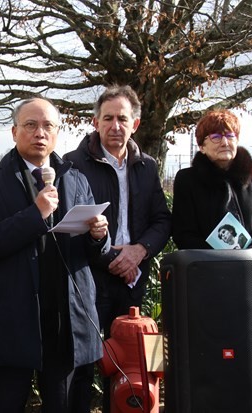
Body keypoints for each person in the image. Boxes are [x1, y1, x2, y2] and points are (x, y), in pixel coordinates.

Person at [0, 96, 110, 413]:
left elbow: (93, 252)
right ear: (14, 131)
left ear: (58, 132)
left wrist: (99, 236)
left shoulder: (75, 177)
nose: (39, 133)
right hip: (14, 321)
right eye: (30, 125)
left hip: (67, 322)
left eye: (48, 126)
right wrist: (35, 214)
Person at [63, 85, 171, 411]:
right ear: (95, 122)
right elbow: (70, 227)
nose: (115, 126)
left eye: (122, 119)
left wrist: (139, 251)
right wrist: (113, 257)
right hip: (89, 282)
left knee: (135, 367)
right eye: (107, 118)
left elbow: (162, 221)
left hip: (132, 283)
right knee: (81, 368)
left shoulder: (147, 166)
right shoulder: (72, 164)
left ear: (135, 124)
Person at [171, 109, 252, 373]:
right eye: (216, 136)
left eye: (230, 135)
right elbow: (183, 233)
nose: (225, 141)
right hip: (208, 285)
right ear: (202, 144)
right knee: (214, 364)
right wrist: (218, 262)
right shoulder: (187, 180)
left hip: (250, 281)